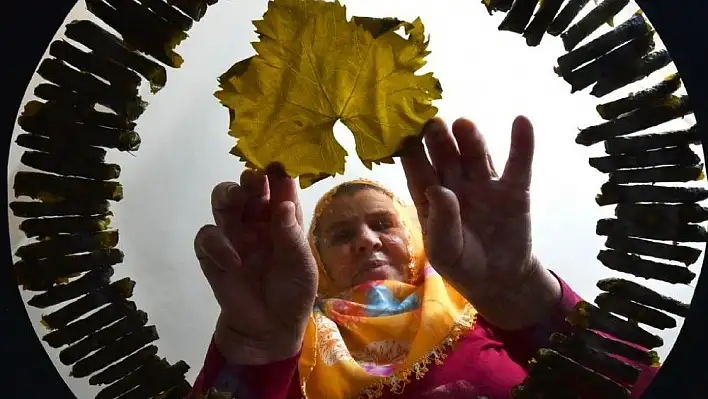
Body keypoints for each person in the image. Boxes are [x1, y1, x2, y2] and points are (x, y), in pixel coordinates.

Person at [190, 116, 659, 399]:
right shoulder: (290, 361)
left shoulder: (482, 315)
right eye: (340, 234)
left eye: (383, 224)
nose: (367, 241)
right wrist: (255, 350)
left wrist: (519, 292)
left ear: (413, 237)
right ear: (320, 266)